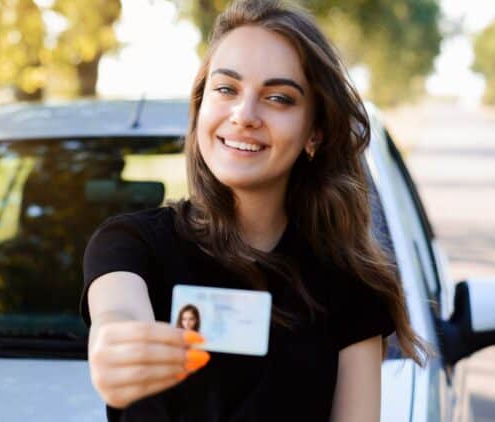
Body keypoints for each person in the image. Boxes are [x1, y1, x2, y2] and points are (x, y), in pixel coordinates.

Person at [80, 0, 432, 420]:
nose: (244, 115)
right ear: (200, 106)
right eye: (226, 89)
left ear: (314, 133)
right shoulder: (131, 245)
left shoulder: (348, 285)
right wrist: (113, 349)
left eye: (279, 98)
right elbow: (117, 315)